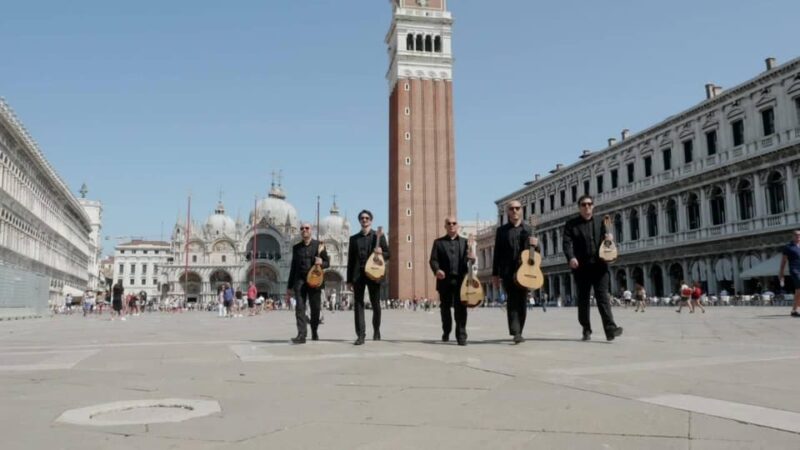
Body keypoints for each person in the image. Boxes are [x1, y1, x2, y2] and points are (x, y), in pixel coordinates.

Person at [562, 195, 623, 341]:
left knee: (603, 298)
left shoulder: (601, 221)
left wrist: (610, 239)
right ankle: (586, 328)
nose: (587, 207)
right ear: (579, 207)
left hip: (600, 266)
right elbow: (566, 243)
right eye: (584, 204)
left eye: (589, 204)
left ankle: (610, 329)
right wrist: (571, 257)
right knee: (583, 300)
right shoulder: (571, 224)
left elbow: (606, 242)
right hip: (581, 267)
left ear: (593, 206)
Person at [491, 200, 539, 344]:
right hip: (507, 271)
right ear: (508, 212)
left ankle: (519, 330)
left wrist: (536, 245)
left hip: (525, 271)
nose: (515, 211)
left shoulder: (529, 229)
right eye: (511, 209)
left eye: (517, 208)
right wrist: (495, 274)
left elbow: (536, 253)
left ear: (522, 210)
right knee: (512, 300)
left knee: (522, 301)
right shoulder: (501, 231)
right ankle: (515, 331)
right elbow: (497, 254)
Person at [346, 209, 389, 345]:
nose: (364, 220)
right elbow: (350, 261)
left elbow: (389, 254)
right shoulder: (353, 239)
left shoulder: (379, 236)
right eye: (362, 218)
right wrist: (348, 280)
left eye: (367, 218)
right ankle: (361, 335)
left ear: (371, 220)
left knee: (376, 304)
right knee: (358, 304)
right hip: (358, 274)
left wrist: (382, 252)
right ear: (359, 221)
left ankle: (376, 329)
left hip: (374, 273)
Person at [429, 216, 474, 346]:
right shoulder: (438, 243)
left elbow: (470, 261)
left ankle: (461, 335)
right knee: (445, 308)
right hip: (444, 280)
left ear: (458, 226)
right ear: (445, 226)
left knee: (461, 309)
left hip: (461, 280)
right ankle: (446, 331)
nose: (452, 225)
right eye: (449, 223)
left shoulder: (466, 242)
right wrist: (437, 270)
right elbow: (433, 260)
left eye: (454, 223)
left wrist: (473, 258)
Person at [287, 222, 330, 344]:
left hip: (315, 281)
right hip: (299, 281)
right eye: (302, 228)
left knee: (315, 308)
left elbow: (328, 263)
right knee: (299, 308)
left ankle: (314, 330)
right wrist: (289, 286)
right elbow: (293, 268)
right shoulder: (296, 248)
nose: (304, 230)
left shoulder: (319, 245)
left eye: (306, 228)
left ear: (311, 230)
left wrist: (321, 262)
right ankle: (301, 334)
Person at [779, 229, 800, 317]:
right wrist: (781, 273)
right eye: (796, 235)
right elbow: (783, 261)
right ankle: (794, 309)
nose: (798, 237)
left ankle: (794, 310)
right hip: (795, 270)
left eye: (799, 235)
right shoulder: (788, 247)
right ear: (793, 236)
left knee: (798, 291)